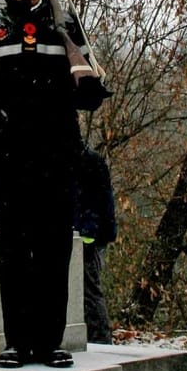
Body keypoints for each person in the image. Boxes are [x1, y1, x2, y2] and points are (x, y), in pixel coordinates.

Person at [0, 0, 102, 369]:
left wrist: (90, 84)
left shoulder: (65, 25)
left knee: (54, 250)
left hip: (57, 158)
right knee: (15, 252)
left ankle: (50, 342)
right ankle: (17, 343)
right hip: (11, 161)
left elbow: (89, 96)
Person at [74, 146, 117, 344]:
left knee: (89, 292)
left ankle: (100, 340)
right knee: (87, 292)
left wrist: (88, 236)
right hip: (88, 236)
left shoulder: (87, 161)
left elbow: (93, 203)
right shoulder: (89, 160)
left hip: (88, 238)